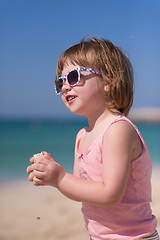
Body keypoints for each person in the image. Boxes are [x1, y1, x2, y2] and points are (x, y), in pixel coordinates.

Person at [27, 37, 159, 240]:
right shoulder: (81, 136)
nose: (65, 87)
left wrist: (60, 177)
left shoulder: (118, 130)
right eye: (60, 82)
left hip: (134, 237)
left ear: (108, 82)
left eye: (72, 77)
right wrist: (51, 177)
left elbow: (110, 195)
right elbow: (80, 190)